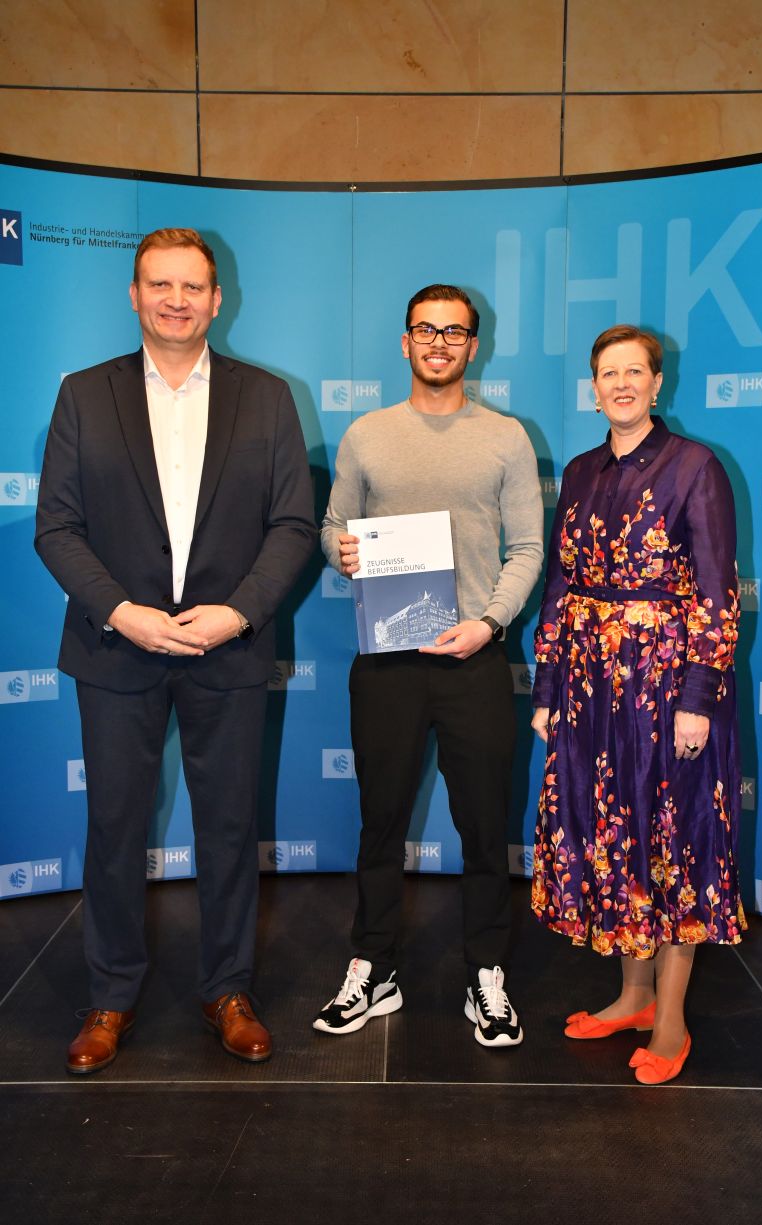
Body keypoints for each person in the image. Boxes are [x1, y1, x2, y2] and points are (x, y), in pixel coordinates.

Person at [35, 228, 316, 1074]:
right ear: (134, 295)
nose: (176, 300)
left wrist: (239, 613)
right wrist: (122, 611)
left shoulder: (267, 397)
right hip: (115, 648)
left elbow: (292, 524)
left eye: (192, 286)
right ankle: (110, 995)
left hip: (226, 649)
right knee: (115, 827)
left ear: (217, 299)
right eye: (159, 284)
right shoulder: (84, 394)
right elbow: (57, 527)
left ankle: (228, 989)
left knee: (229, 827)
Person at [314, 284, 543, 1047]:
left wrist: (489, 622)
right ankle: (374, 966)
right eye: (425, 329)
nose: (438, 342)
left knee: (483, 825)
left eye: (453, 331)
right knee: (380, 821)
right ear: (405, 341)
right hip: (387, 661)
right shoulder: (367, 434)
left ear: (474, 345)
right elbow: (333, 526)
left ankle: (487, 973)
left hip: (475, 657)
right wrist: (341, 550)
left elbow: (528, 549)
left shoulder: (506, 437)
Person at [531, 324, 746, 1084]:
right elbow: (561, 584)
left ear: (658, 383)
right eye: (608, 373)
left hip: (668, 689)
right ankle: (633, 996)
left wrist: (698, 699)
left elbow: (716, 591)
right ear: (593, 389)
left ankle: (672, 1021)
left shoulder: (696, 466)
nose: (621, 384)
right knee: (615, 837)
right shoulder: (581, 471)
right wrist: (548, 687)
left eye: (635, 371)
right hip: (591, 689)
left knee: (672, 842)